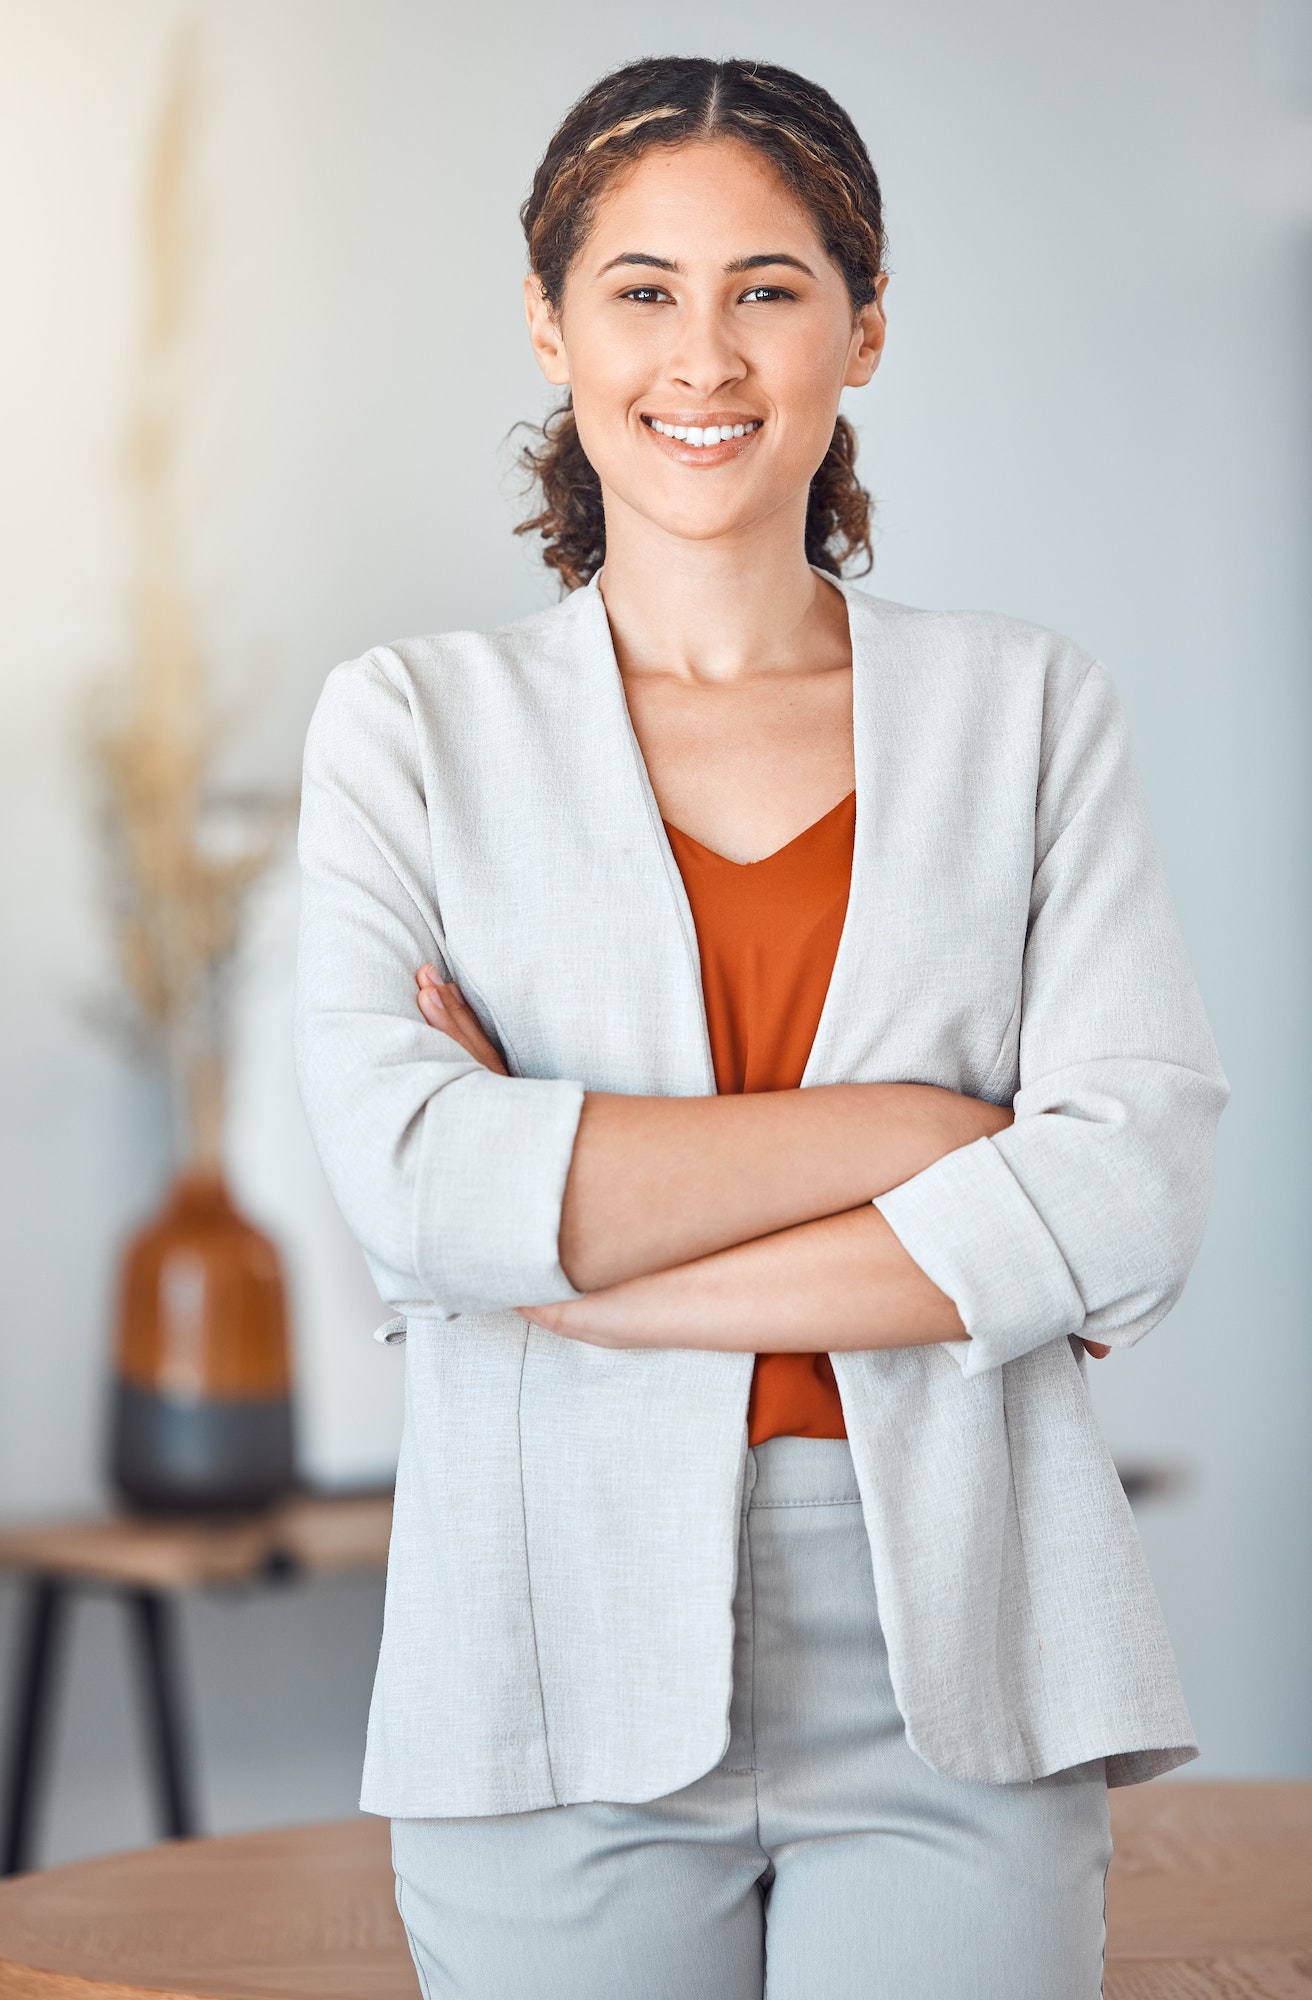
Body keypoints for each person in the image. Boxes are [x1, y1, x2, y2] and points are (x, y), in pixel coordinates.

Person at [295, 54, 1227, 2000]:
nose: (699, 354)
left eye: (766, 287)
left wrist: (606, 1278)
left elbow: (1126, 1194)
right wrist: (917, 1130)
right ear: (547, 322)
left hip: (959, 1652)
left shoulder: (1024, 716)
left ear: (861, 324)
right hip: (542, 1652)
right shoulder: (409, 728)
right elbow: (410, 1184)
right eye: (638, 287)